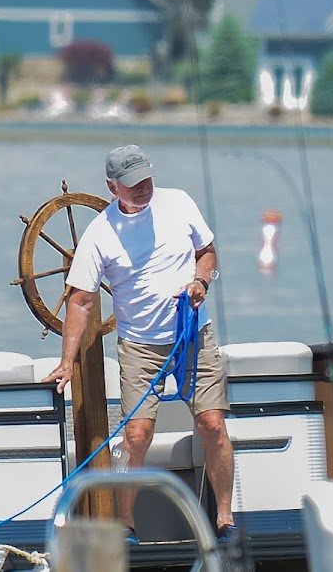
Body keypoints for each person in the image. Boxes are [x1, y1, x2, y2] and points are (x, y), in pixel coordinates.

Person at [40, 145, 236, 544]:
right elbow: (81, 299)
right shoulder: (101, 233)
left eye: (146, 178)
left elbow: (208, 253)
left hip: (193, 334)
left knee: (212, 423)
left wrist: (200, 281)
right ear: (112, 187)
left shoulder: (179, 203)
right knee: (136, 434)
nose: (143, 187)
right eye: (132, 184)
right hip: (139, 346)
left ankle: (226, 520)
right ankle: (126, 524)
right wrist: (66, 361)